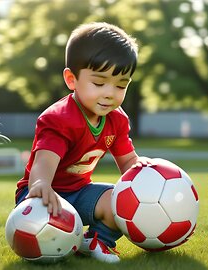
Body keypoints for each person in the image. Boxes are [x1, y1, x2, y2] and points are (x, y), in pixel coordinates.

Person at [14, 22, 154, 263]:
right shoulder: (58, 119)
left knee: (119, 200)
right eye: (99, 83)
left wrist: (142, 172)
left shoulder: (117, 119)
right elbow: (44, 160)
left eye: (121, 85)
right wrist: (40, 185)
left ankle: (98, 241)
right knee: (50, 236)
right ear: (71, 79)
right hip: (41, 193)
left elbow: (128, 161)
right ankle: (59, 237)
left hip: (79, 192)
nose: (110, 93)